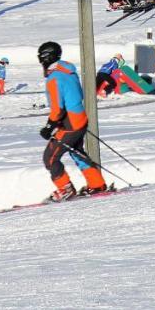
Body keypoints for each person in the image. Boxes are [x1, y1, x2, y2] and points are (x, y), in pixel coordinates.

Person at [38, 41, 107, 200]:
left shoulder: (54, 78)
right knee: (77, 152)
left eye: (41, 57)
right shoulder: (67, 70)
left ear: (46, 57)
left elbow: (57, 108)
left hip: (70, 124)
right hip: (80, 119)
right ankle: (97, 185)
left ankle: (65, 189)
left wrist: (49, 127)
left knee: (49, 158)